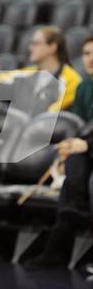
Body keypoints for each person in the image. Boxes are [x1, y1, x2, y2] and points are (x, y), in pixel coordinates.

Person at [24, 34, 93, 269]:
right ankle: (61, 237)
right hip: (85, 154)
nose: (90, 59)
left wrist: (85, 145)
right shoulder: (84, 87)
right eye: (86, 53)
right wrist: (70, 146)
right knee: (73, 158)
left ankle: (58, 244)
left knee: (77, 166)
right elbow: (80, 126)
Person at [0, 26, 82, 116]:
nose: (30, 48)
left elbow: (51, 112)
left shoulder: (72, 79)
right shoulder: (28, 72)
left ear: (52, 47)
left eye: (36, 44)